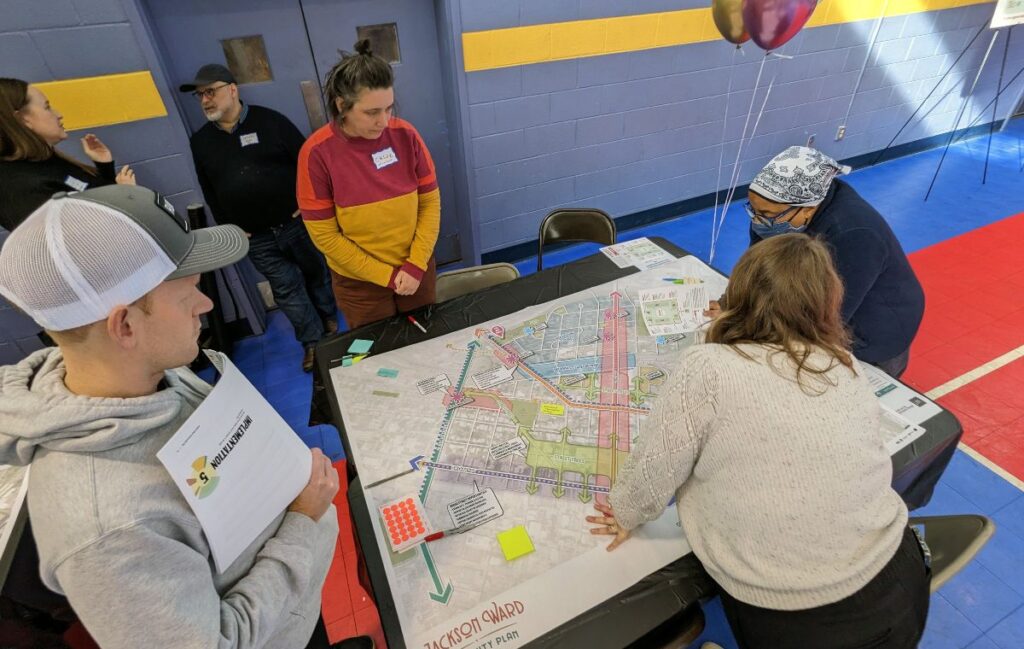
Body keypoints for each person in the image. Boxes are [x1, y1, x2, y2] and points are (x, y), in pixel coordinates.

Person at [0, 185, 346, 648]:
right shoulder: (106, 529)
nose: (205, 307)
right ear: (125, 326)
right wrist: (303, 524)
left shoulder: (151, 374)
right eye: (188, 298)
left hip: (287, 602)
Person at [588, 234, 930, 649]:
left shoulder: (709, 366)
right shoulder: (846, 363)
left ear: (738, 292)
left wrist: (625, 512)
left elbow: (655, 468)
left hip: (800, 618)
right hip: (901, 578)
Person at [181, 64, 337, 372]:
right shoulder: (200, 142)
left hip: (296, 223)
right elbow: (209, 188)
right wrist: (231, 225)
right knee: (287, 289)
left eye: (210, 91)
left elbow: (309, 163)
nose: (205, 100)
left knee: (315, 272)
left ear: (232, 89)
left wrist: (309, 205)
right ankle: (313, 343)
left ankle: (328, 315)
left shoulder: (271, 121)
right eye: (200, 95)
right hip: (257, 237)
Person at [728, 146, 924, 377]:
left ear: (808, 208)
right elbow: (758, 266)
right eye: (754, 210)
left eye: (767, 214)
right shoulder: (775, 214)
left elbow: (829, 315)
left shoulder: (855, 233)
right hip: (827, 306)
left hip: (874, 327)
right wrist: (731, 305)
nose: (758, 221)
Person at [297, 40, 441, 329]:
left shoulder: (406, 134)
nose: (384, 122)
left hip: (416, 269)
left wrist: (415, 265)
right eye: (372, 112)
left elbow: (430, 203)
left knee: (426, 340)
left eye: (388, 108)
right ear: (342, 105)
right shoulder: (316, 153)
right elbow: (326, 237)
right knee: (378, 354)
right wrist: (386, 276)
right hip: (360, 283)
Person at [0, 77, 134, 231]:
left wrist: (105, 167)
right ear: (24, 119)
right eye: (47, 107)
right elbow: (87, 238)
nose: (58, 114)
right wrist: (128, 199)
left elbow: (94, 199)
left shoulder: (43, 159)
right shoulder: (19, 187)